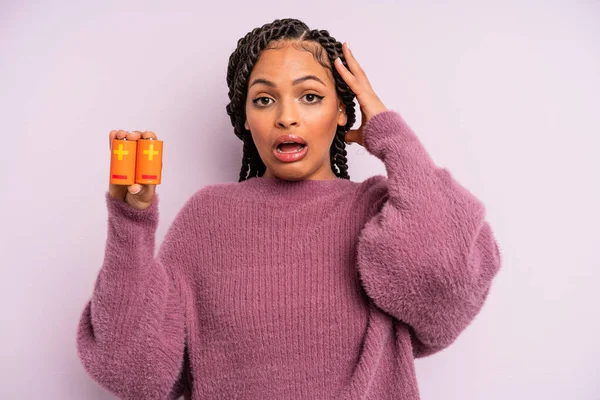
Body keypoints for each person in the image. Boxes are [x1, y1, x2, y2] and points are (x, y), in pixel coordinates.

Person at [76, 18, 502, 400]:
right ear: (244, 118)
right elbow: (131, 372)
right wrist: (130, 223)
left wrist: (390, 132)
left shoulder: (381, 210)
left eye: (310, 97)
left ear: (341, 110)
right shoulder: (208, 218)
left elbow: (446, 283)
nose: (286, 117)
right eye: (264, 100)